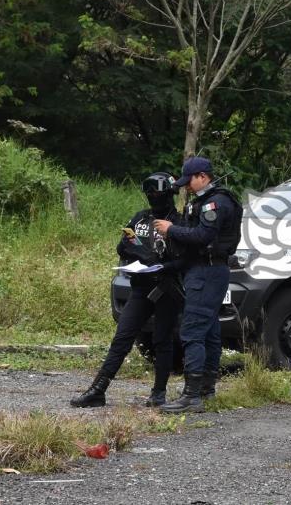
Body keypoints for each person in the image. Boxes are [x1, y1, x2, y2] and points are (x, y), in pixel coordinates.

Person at [70, 172, 184, 408]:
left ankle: (159, 393)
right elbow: (123, 244)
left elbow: (186, 259)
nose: (153, 197)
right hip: (140, 288)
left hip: (166, 288)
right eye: (149, 193)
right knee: (122, 337)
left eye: (157, 193)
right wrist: (146, 256)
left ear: (169, 194)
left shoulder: (178, 223)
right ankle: (97, 390)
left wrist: (161, 264)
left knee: (163, 340)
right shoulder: (140, 219)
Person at [153, 156, 242, 414]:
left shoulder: (215, 203)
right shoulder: (205, 201)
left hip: (207, 271)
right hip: (206, 270)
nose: (187, 187)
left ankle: (192, 396)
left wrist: (171, 230)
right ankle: (206, 389)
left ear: (203, 176)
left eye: (190, 181)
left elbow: (203, 236)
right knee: (210, 332)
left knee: (192, 331)